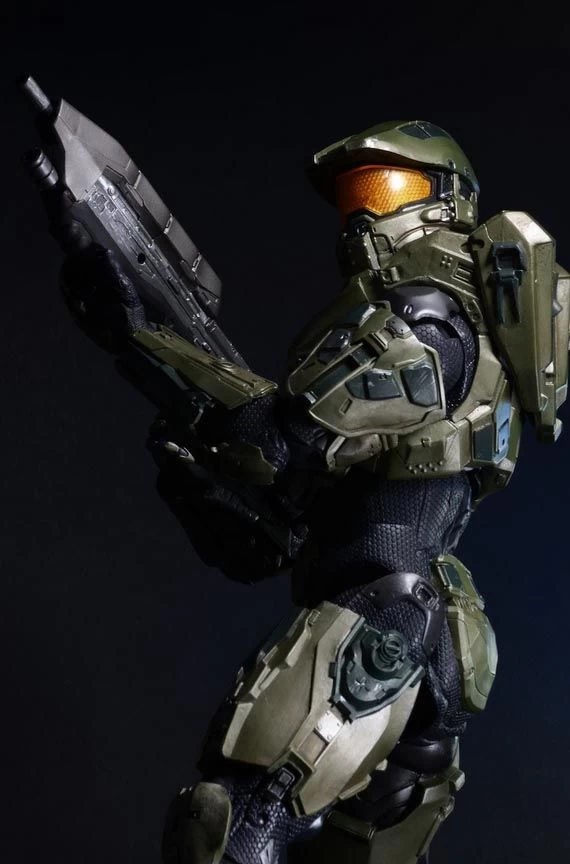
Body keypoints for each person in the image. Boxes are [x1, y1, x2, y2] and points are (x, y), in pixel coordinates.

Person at [49, 120, 570, 864]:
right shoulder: (476, 340)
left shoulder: (428, 321)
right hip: (433, 632)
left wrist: (137, 336)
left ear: (447, 201)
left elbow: (274, 440)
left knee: (230, 829)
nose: (364, 214)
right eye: (356, 196)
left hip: (375, 628)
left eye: (386, 188)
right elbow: (295, 493)